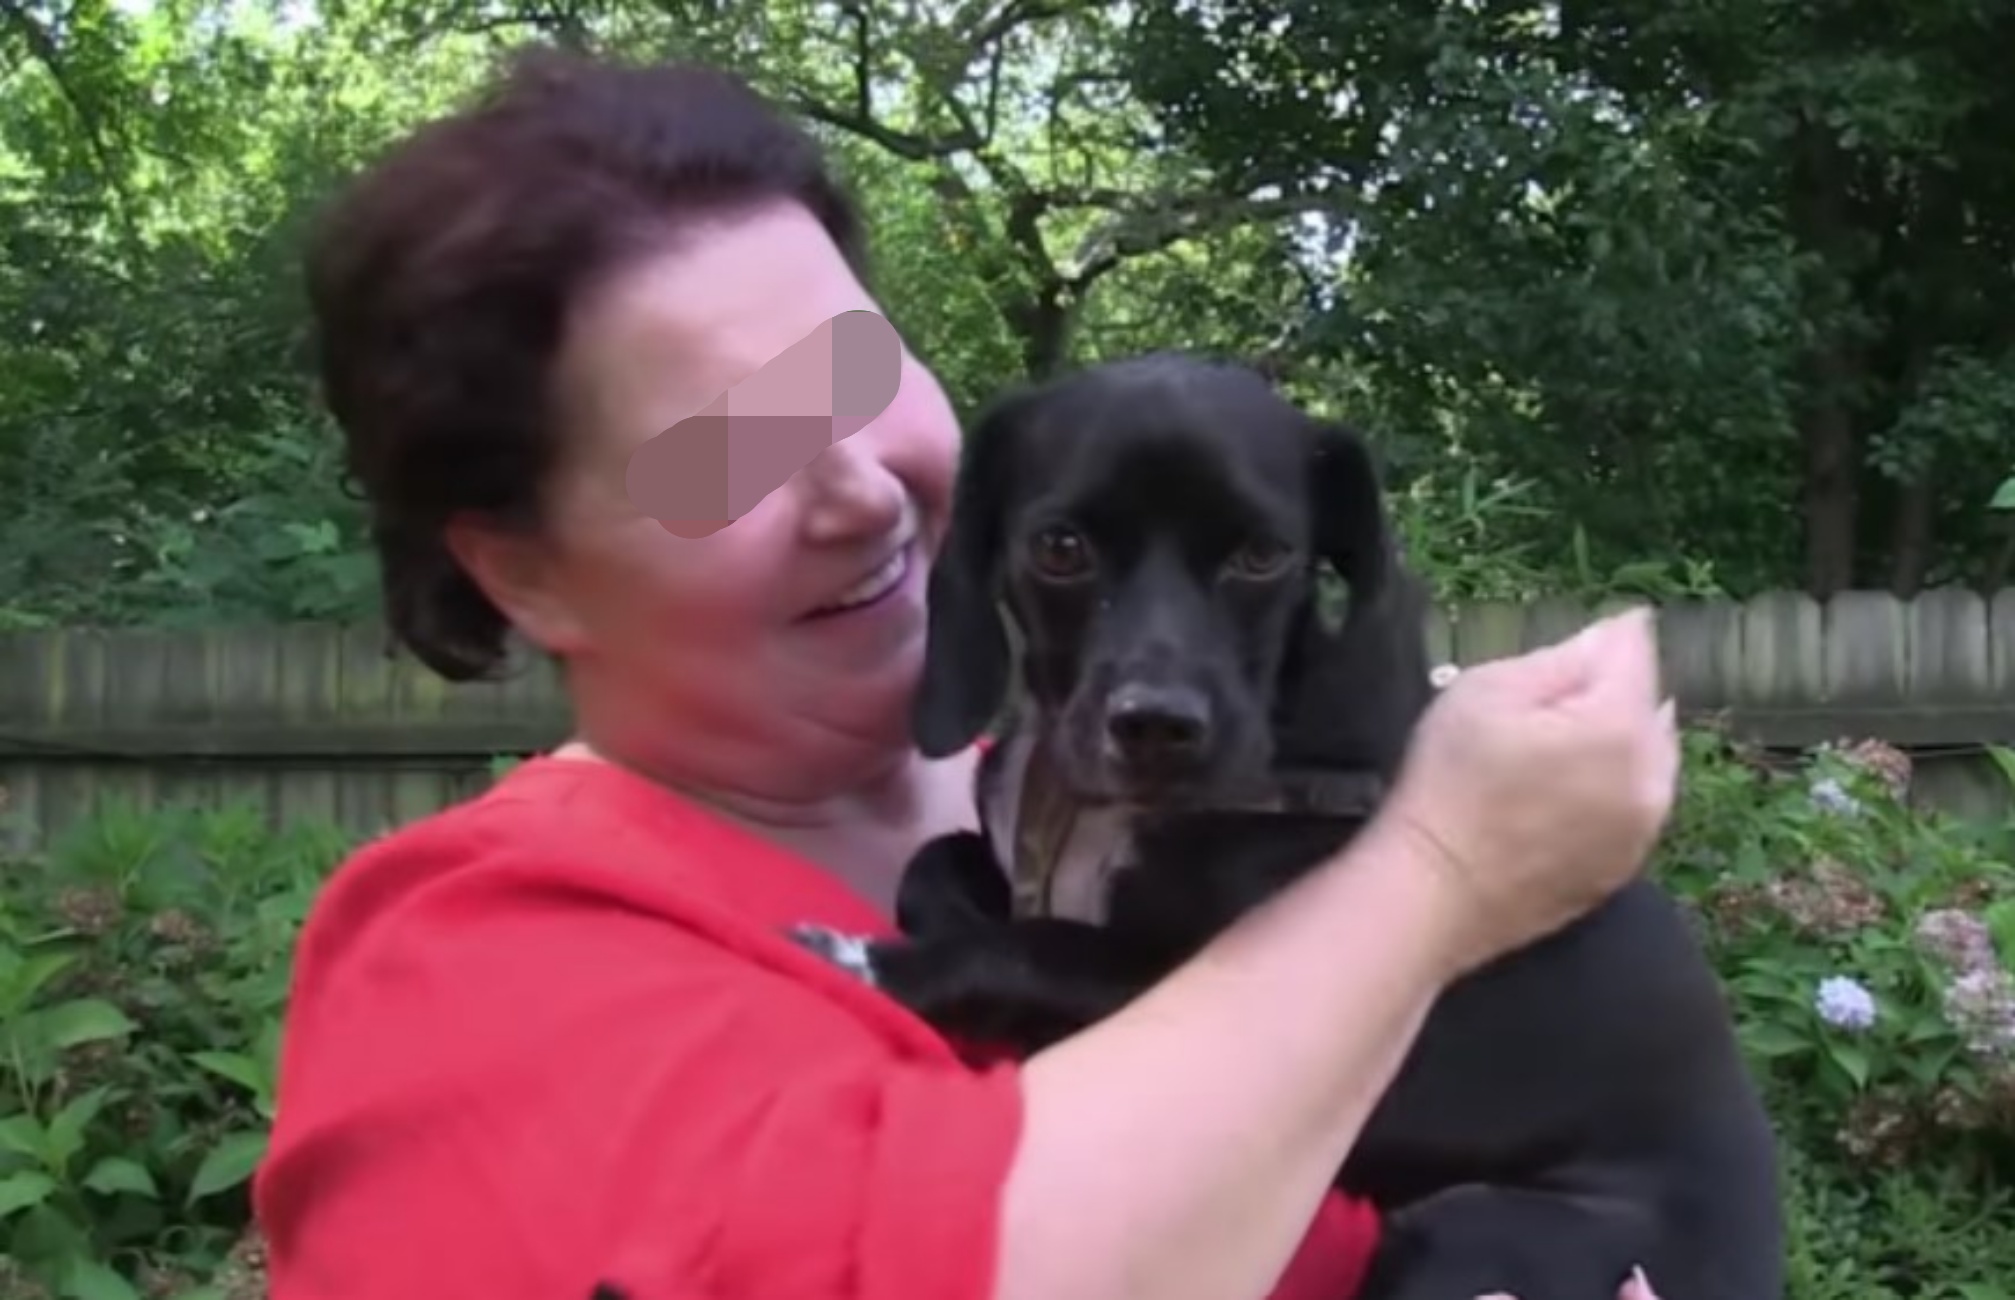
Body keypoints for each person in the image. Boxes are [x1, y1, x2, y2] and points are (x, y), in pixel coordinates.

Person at [251, 44, 1677, 1300]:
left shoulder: (1124, 821)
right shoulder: (475, 971)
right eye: (725, 452)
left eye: (848, 377)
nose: (858, 489)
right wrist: (1440, 876)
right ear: (528, 570)